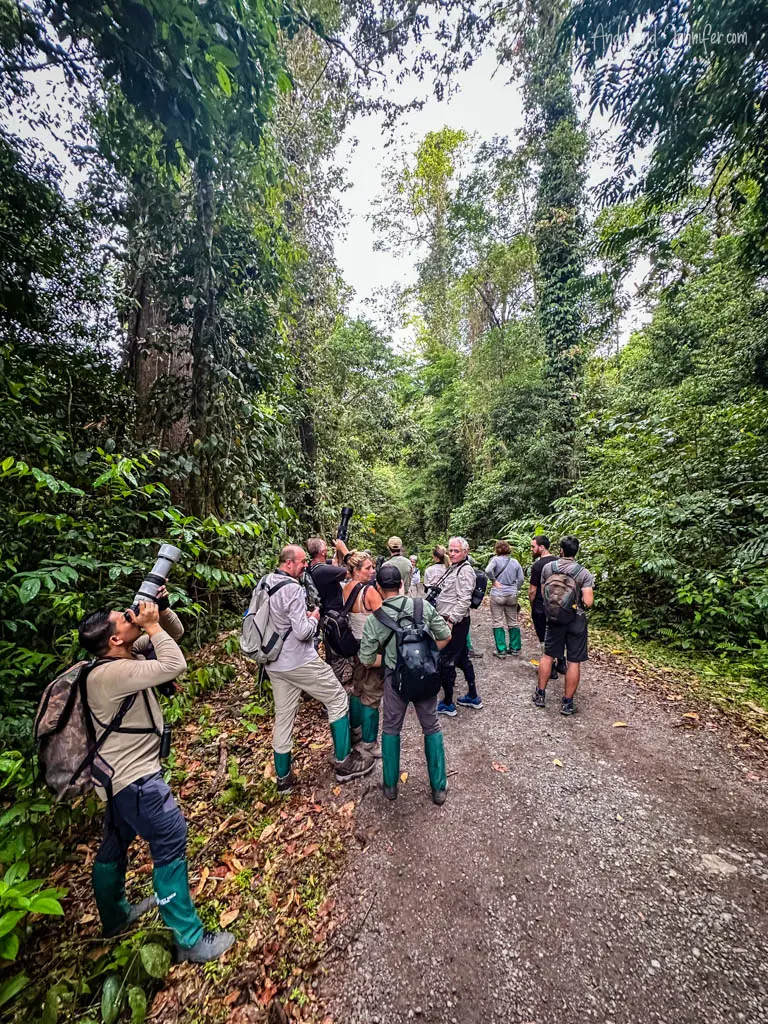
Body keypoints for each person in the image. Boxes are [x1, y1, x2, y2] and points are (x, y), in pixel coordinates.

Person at [79, 589, 234, 963]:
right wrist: (150, 625)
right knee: (170, 837)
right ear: (114, 640)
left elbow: (173, 636)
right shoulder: (114, 673)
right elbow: (174, 664)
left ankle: (115, 916)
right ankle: (189, 939)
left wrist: (160, 611)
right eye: (124, 620)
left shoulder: (117, 658)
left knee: (115, 841)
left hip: (114, 776)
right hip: (136, 779)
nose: (130, 616)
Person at [264, 546, 374, 789]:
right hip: (298, 660)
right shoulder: (292, 588)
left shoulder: (265, 583)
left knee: (283, 717)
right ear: (289, 563)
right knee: (337, 698)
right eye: (302, 562)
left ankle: (283, 778)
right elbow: (303, 632)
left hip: (274, 663)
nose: (306, 566)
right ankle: (344, 761)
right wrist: (313, 618)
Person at [358, 564, 452, 804]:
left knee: (391, 728)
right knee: (431, 726)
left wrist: (392, 662)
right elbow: (445, 636)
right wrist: (427, 656)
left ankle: (390, 785)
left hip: (395, 681)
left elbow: (366, 659)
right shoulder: (422, 606)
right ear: (401, 583)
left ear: (378, 588)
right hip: (425, 675)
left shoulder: (376, 619)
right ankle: (439, 787)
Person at [532, 536, 595, 716]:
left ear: (561, 550)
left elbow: (544, 592)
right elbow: (588, 602)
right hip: (576, 619)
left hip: (554, 618)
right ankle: (567, 703)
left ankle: (540, 694)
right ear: (576, 551)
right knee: (573, 661)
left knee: (548, 655)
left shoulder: (548, 568)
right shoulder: (584, 573)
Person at [340, 551, 384, 757]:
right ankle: (369, 742)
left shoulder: (346, 588)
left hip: (355, 645)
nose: (372, 571)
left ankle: (355, 731)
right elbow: (384, 620)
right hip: (371, 646)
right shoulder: (369, 592)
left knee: (357, 688)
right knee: (372, 693)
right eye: (368, 568)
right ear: (356, 571)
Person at [434, 536, 482, 714]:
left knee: (446, 660)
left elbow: (464, 600)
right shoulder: (455, 567)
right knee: (462, 658)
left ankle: (448, 703)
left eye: (456, 551)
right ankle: (472, 696)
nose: (453, 553)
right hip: (451, 620)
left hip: (455, 622)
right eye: (451, 550)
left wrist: (451, 621)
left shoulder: (465, 571)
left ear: (465, 552)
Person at [308, 536, 351, 686]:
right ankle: (334, 689)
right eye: (325, 546)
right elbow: (350, 572)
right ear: (322, 551)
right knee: (336, 654)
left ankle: (333, 684)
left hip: (326, 616)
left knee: (333, 652)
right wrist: (344, 551)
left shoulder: (313, 566)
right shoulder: (323, 571)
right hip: (333, 618)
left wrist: (337, 552)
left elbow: (334, 564)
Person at [528, 534, 561, 680]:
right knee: (556, 633)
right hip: (558, 604)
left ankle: (550, 667)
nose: (531, 549)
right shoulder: (559, 561)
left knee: (543, 636)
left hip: (541, 605)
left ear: (541, 547)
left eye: (533, 546)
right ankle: (561, 661)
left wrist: (532, 603)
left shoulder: (538, 565)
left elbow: (532, 589)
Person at [485, 541, 524, 658]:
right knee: (513, 621)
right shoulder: (515, 562)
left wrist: (494, 581)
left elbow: (488, 570)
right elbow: (521, 579)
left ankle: (501, 650)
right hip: (512, 595)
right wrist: (515, 588)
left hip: (497, 594)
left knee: (497, 621)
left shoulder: (495, 560)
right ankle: (515, 648)